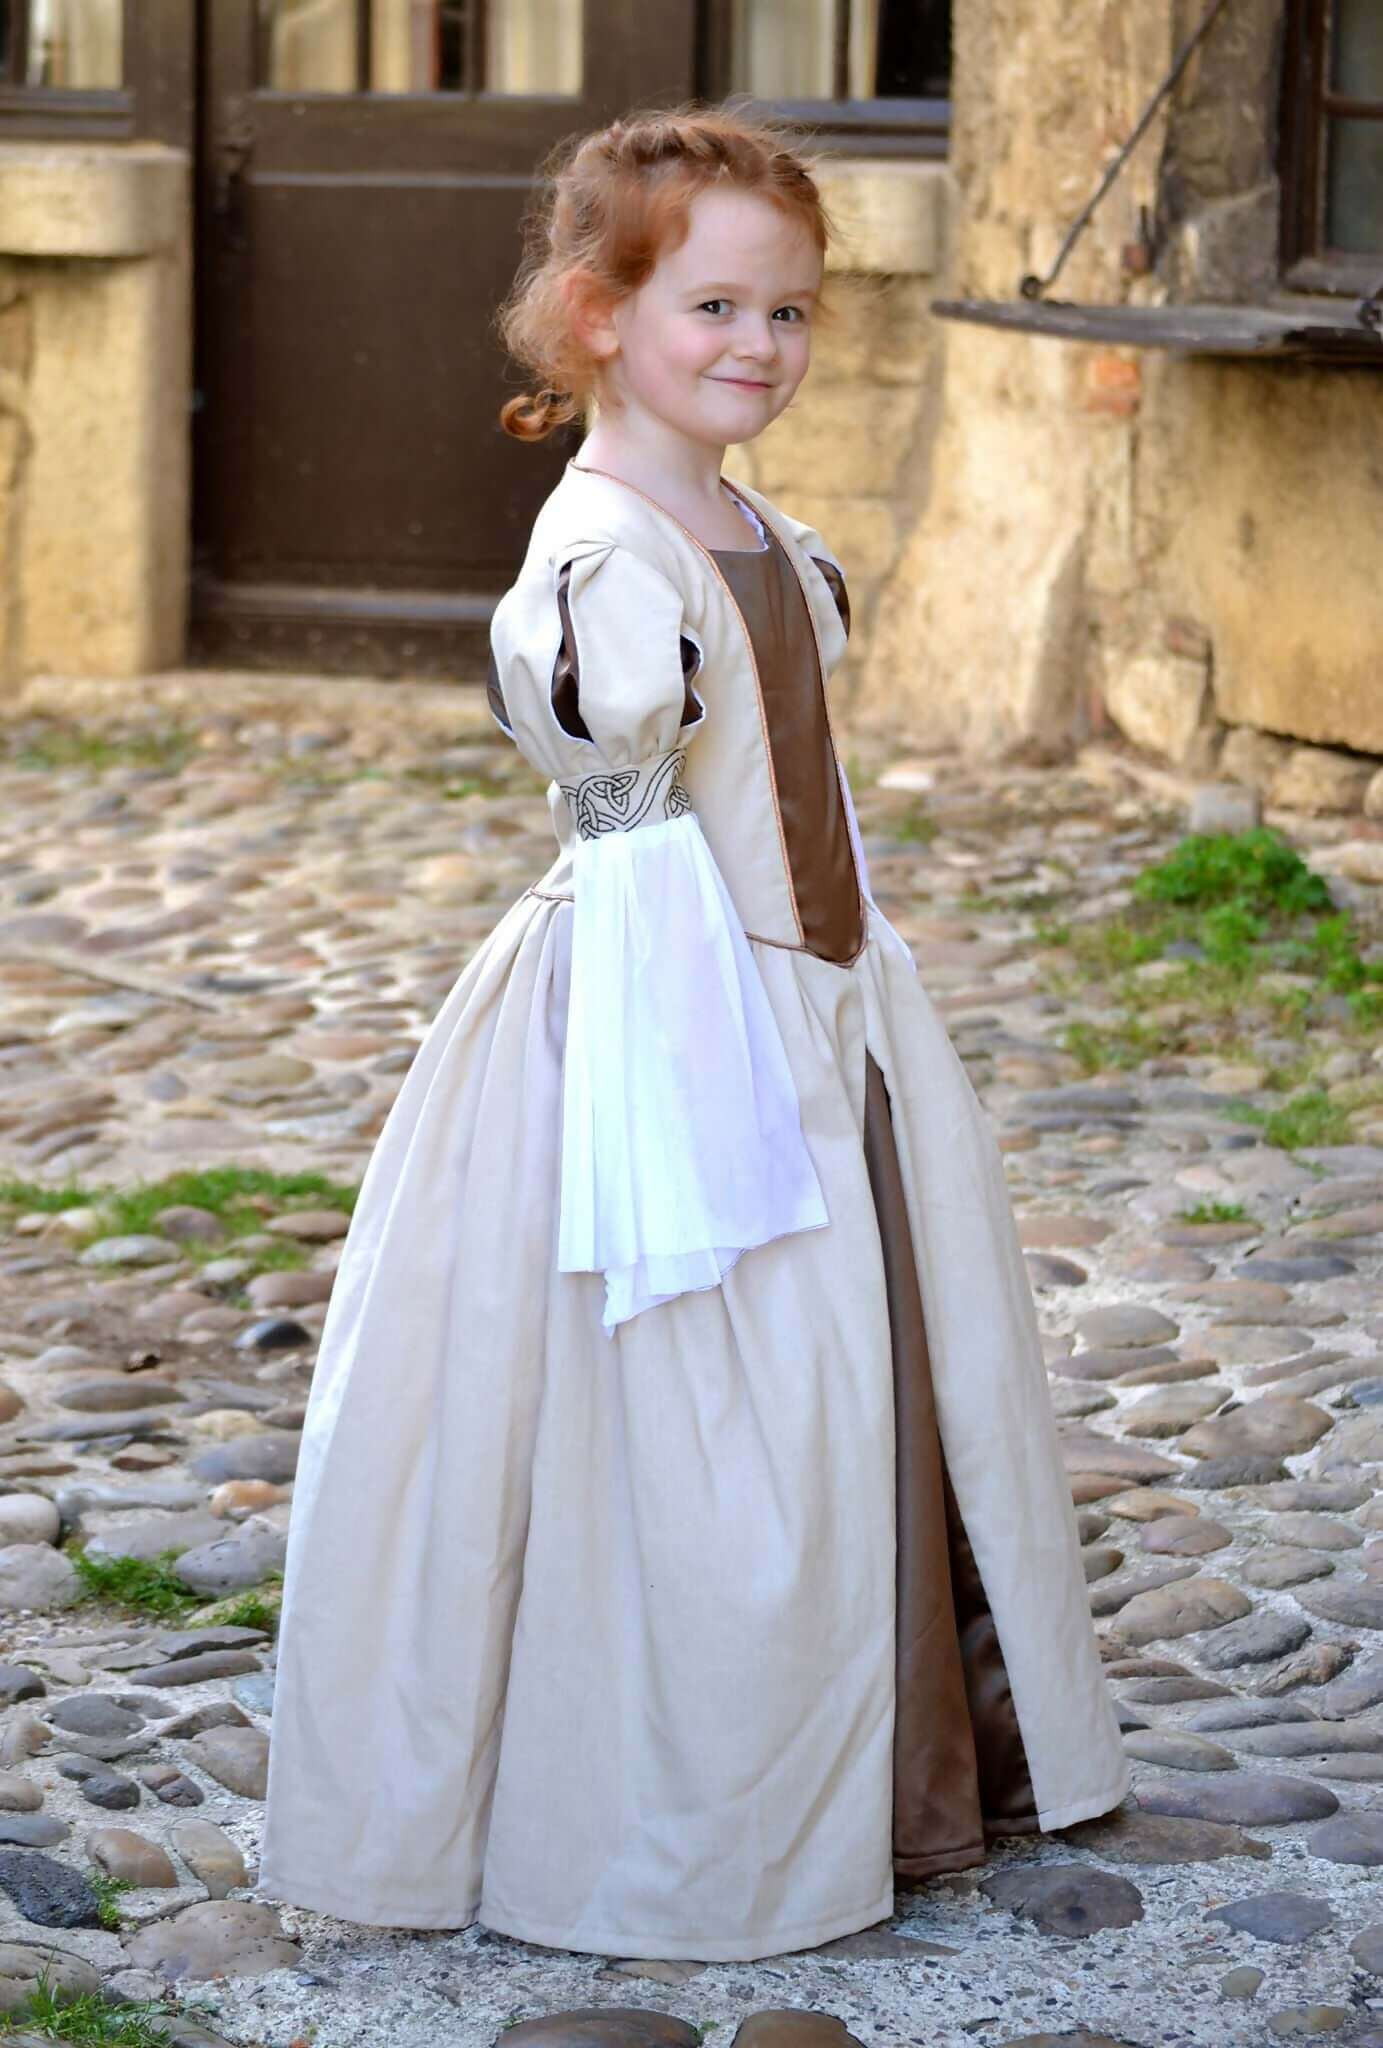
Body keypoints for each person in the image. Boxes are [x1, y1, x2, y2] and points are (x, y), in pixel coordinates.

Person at [255, 99, 1129, 1965]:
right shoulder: (604, 560)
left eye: (793, 314)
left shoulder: (753, 527)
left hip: (821, 1011)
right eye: (715, 309)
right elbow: (618, 772)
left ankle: (900, 1764)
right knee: (697, 1411)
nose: (760, 347)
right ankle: (686, 1810)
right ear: (595, 316)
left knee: (854, 1387)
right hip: (671, 1034)